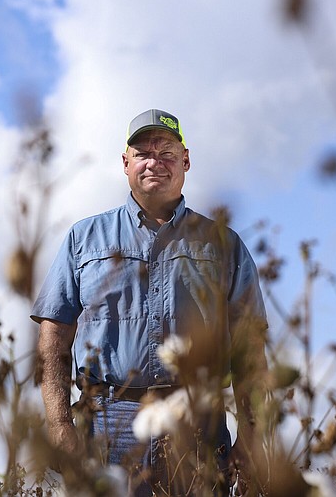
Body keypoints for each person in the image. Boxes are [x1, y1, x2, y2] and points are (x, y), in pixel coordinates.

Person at [31, 109, 268, 496]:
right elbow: (53, 338)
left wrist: (252, 433)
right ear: (125, 163)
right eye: (143, 152)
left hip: (198, 425)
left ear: (186, 161)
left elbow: (250, 347)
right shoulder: (83, 238)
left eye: (167, 153)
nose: (154, 162)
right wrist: (59, 425)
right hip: (106, 427)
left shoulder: (224, 244)